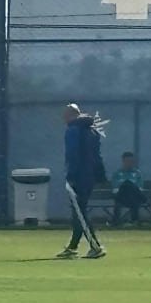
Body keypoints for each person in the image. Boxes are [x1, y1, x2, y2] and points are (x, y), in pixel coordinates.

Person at [57, 103, 107, 259]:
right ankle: (72, 247)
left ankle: (95, 246)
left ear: (70, 115)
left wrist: (71, 176)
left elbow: (73, 155)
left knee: (79, 212)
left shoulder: (73, 130)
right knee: (79, 210)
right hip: (89, 176)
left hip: (79, 176)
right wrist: (100, 175)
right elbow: (97, 155)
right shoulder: (92, 131)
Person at [110, 151, 146, 226]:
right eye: (127, 161)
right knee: (127, 184)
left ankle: (125, 221)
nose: (129, 163)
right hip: (121, 197)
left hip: (134, 196)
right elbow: (115, 189)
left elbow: (140, 188)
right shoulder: (117, 174)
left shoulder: (137, 173)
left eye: (131, 161)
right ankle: (135, 220)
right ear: (123, 161)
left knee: (131, 188)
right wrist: (126, 185)